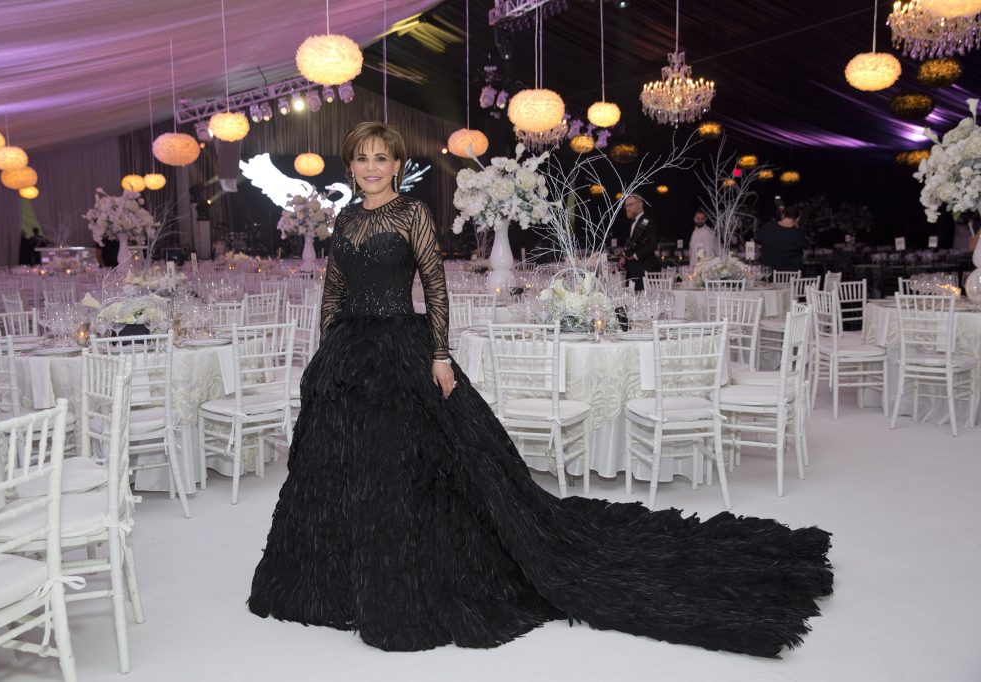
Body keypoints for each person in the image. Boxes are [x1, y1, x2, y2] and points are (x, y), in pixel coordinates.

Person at [248, 122, 832, 657]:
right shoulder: (347, 220)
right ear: (350, 166)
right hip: (350, 354)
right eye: (362, 158)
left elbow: (435, 286)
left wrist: (440, 354)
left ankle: (402, 574)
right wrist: (326, 351)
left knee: (408, 469)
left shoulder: (411, 213)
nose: (371, 167)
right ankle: (344, 578)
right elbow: (334, 289)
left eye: (381, 158)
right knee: (345, 470)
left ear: (397, 165)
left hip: (403, 348)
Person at [616, 194, 659, 290]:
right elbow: (633, 244)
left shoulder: (647, 222)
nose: (627, 209)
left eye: (630, 205)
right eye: (626, 206)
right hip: (633, 272)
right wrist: (624, 256)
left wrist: (635, 255)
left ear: (640, 204)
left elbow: (652, 245)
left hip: (643, 273)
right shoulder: (635, 223)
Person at [757, 205, 808, 272]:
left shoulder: (766, 227)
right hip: (791, 275)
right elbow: (805, 250)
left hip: (768, 273)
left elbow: (759, 244)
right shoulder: (798, 233)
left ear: (783, 215)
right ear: (798, 219)